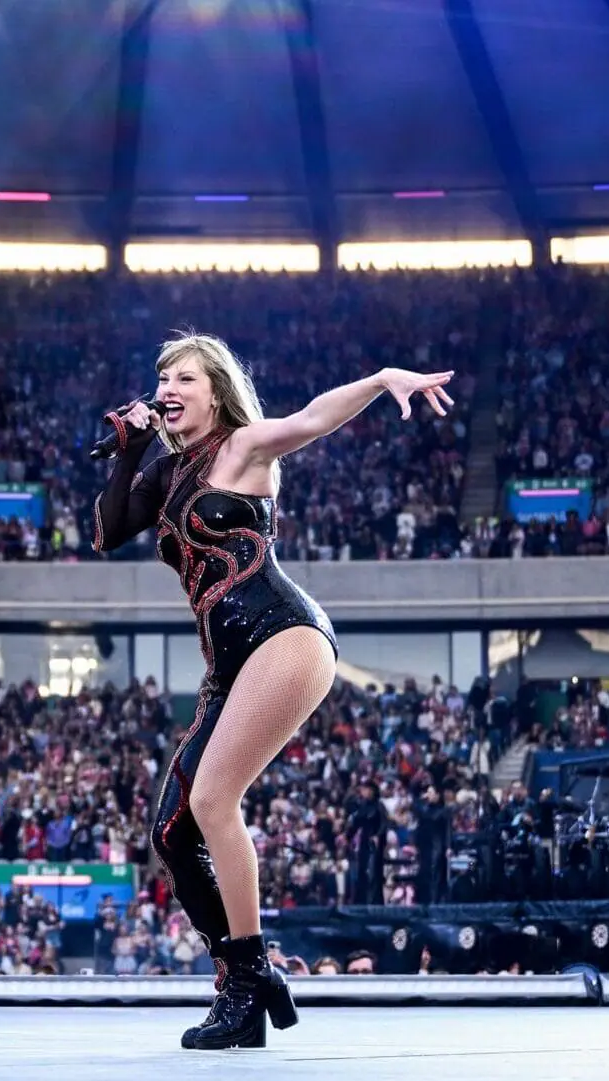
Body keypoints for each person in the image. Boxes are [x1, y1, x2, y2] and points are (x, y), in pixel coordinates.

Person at [94, 331, 454, 1049]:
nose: (168, 386)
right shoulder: (168, 474)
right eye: (163, 376)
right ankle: (244, 994)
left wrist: (383, 375)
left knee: (211, 799)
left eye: (185, 377)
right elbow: (109, 530)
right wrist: (133, 448)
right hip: (226, 665)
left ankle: (252, 972)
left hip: (282, 634)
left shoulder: (243, 445)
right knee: (171, 829)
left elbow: (313, 419)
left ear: (215, 390)